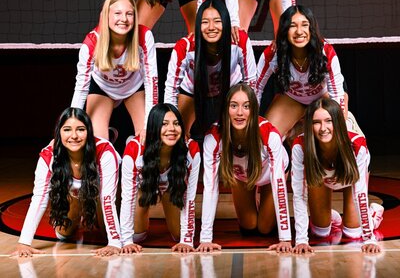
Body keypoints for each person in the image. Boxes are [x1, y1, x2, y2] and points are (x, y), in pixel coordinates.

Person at [13, 108, 122, 257]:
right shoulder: (48, 155)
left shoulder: (105, 151)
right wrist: (24, 243)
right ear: (59, 132)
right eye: (67, 130)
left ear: (89, 132)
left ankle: (93, 211)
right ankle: (81, 207)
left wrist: (114, 242)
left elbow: (107, 198)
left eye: (81, 129)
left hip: (101, 193)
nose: (74, 136)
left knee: (105, 235)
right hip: (75, 194)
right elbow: (39, 198)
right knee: (63, 234)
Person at [198, 84, 292, 253]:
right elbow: (210, 186)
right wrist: (205, 238)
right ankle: (256, 203)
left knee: (264, 228)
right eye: (234, 106)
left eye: (246, 106)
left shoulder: (269, 134)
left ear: (254, 110)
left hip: (270, 176)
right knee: (249, 227)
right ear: (226, 109)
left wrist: (285, 238)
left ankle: (265, 205)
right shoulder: (213, 137)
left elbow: (278, 185)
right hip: (241, 176)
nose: (240, 113)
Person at [291, 98, 383, 254]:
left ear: (338, 123)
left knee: (353, 232)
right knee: (320, 232)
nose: (323, 128)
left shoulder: (356, 145)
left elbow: (359, 193)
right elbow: (299, 195)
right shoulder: (301, 145)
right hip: (323, 176)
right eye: (316, 122)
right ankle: (330, 216)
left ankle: (373, 214)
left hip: (349, 177)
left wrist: (369, 238)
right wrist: (301, 240)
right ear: (309, 125)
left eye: (329, 121)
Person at [71, 0, 158, 142]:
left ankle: (132, 143)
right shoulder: (92, 42)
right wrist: (71, 120)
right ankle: (108, 137)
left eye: (129, 14)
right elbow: (81, 87)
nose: (124, 19)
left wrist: (147, 125)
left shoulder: (144, 36)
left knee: (149, 137)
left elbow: (152, 82)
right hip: (103, 88)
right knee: (98, 143)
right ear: (107, 16)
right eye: (117, 13)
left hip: (133, 86)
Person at [164, 0, 257, 138]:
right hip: (193, 91)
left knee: (238, 133)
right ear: (197, 25)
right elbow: (171, 89)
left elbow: (251, 83)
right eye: (205, 22)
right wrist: (169, 120)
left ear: (226, 22)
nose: (211, 27)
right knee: (178, 134)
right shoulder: (185, 47)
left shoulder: (239, 40)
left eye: (217, 21)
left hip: (229, 89)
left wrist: (251, 113)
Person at [257, 5, 347, 140]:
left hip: (323, 96)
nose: (299, 31)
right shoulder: (273, 54)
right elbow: (256, 89)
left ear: (311, 29)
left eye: (305, 25)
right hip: (292, 98)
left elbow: (337, 94)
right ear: (284, 30)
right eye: (292, 26)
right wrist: (250, 121)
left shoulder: (325, 52)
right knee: (265, 137)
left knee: (335, 133)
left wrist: (340, 125)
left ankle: (349, 124)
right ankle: (295, 131)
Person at [120, 103, 200, 253]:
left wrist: (187, 240)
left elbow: (190, 198)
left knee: (178, 235)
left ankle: (166, 195)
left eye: (176, 123)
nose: (172, 129)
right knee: (137, 236)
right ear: (154, 127)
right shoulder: (134, 149)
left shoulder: (191, 149)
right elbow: (127, 198)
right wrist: (126, 241)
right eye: (164, 124)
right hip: (145, 185)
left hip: (171, 186)